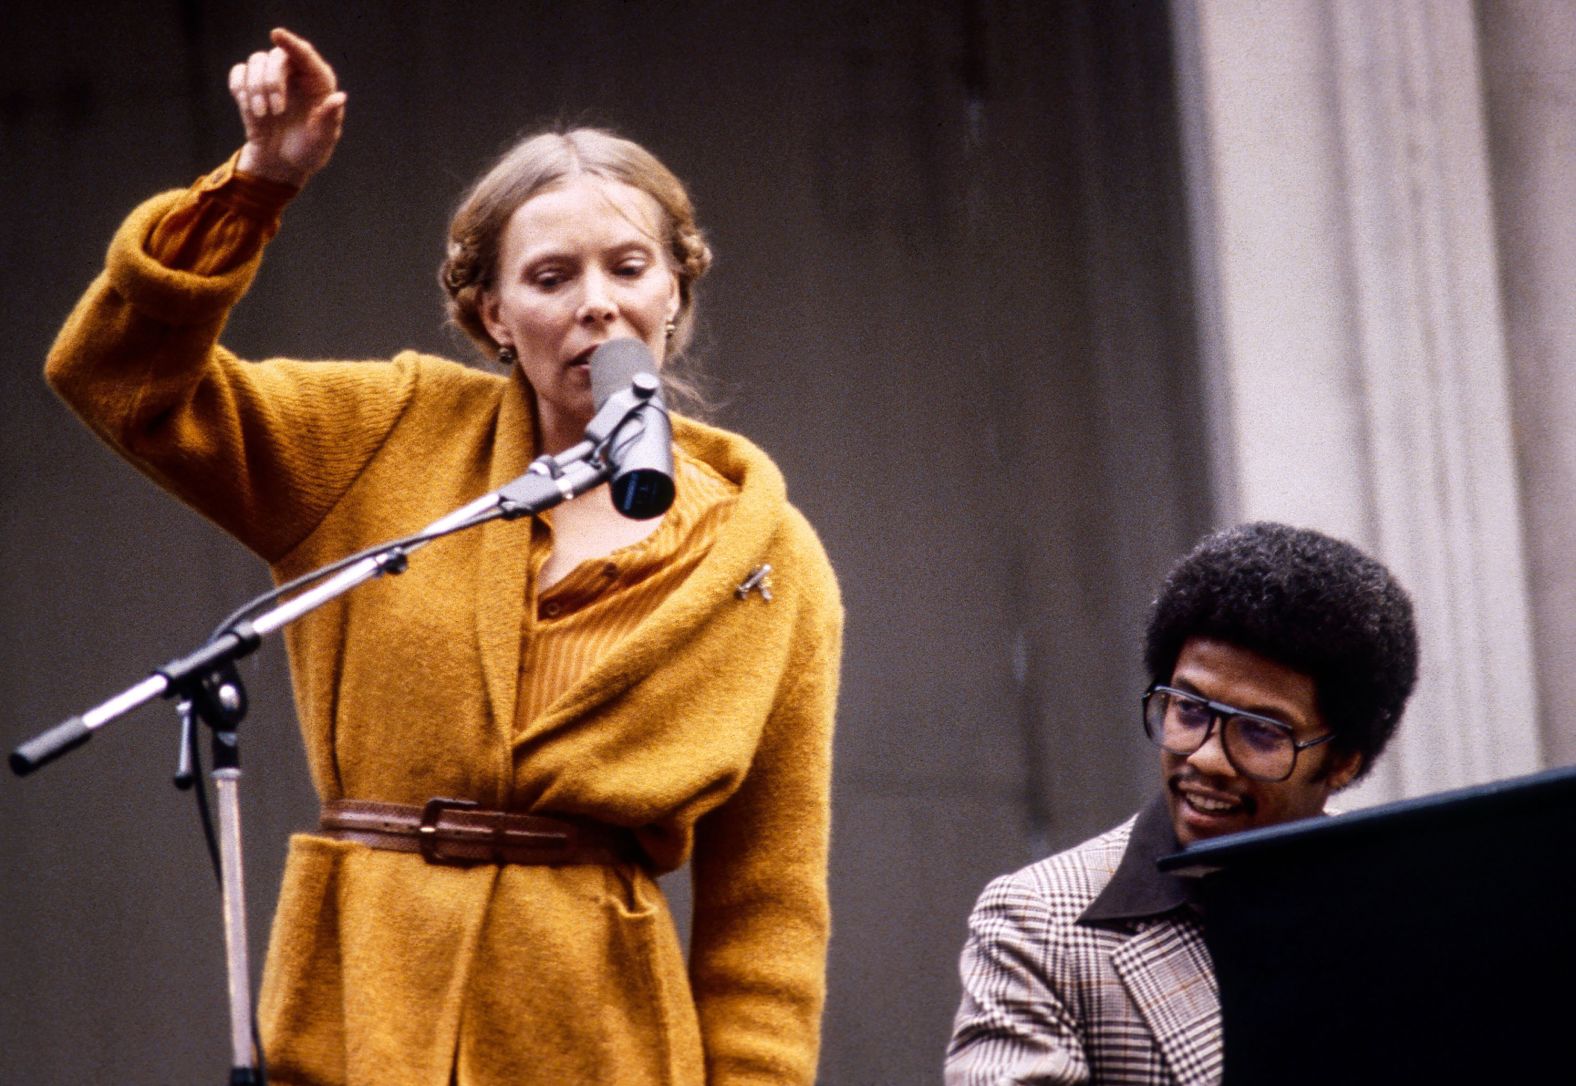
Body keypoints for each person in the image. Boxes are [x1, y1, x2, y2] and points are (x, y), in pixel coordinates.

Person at [45, 28, 841, 1086]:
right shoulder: (390, 432)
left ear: (676, 294)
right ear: (492, 315)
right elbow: (114, 378)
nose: (596, 300)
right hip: (363, 1018)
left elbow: (766, 913)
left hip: (601, 1040)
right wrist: (253, 188)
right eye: (550, 276)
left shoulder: (768, 556)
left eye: (628, 266)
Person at [944, 522, 1418, 1086]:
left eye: (1261, 733)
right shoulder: (1038, 923)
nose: (1208, 758)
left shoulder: (1406, 910)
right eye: (1189, 711)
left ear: (1344, 761)